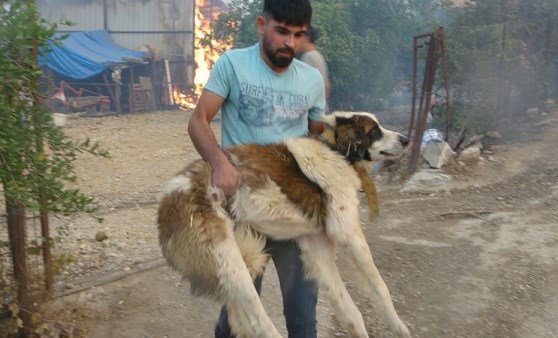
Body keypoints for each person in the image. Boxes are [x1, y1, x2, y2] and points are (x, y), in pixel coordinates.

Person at [186, 0, 326, 337]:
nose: (289, 43)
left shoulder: (311, 80)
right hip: (245, 213)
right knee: (239, 314)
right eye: (281, 32)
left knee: (303, 318)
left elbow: (318, 134)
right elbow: (198, 120)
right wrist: (220, 164)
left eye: (298, 35)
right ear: (262, 26)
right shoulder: (233, 65)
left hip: (294, 212)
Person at [298, 25, 331, 100]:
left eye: (298, 36)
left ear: (307, 38)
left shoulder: (309, 57)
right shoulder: (318, 56)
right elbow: (327, 85)